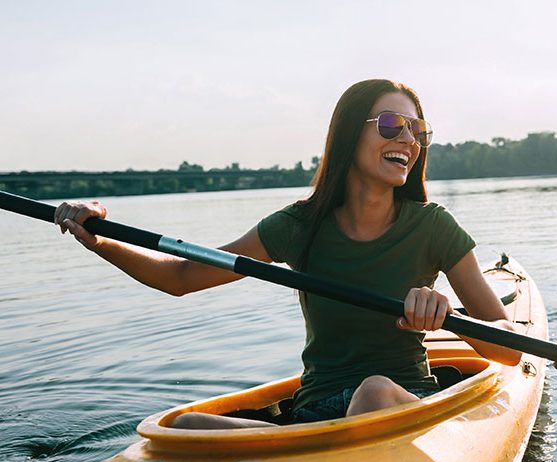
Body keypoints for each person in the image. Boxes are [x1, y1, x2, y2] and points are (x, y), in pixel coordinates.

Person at [53, 79, 522, 429]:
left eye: (418, 130)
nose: (408, 139)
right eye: (391, 125)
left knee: (373, 391)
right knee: (182, 424)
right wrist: (100, 238)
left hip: (399, 400)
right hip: (315, 412)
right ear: (347, 134)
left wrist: (444, 316)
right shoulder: (299, 226)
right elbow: (180, 276)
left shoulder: (432, 226)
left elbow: (506, 348)